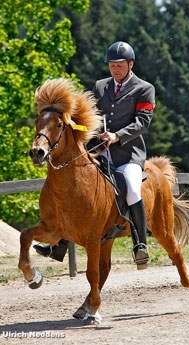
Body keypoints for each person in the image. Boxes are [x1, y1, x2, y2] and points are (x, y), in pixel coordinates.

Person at [35, 42, 155, 269]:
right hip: (98, 150)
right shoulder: (100, 86)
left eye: (119, 65)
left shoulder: (144, 88)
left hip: (128, 154)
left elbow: (143, 121)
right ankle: (58, 243)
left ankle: (140, 243)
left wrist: (117, 136)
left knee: (131, 188)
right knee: (73, 186)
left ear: (131, 64)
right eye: (112, 65)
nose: (115, 69)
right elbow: (88, 114)